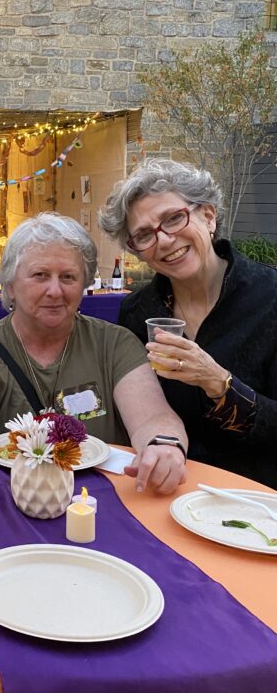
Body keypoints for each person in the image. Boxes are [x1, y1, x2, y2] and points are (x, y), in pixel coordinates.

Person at [0, 212, 188, 494]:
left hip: (103, 503)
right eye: (40, 275)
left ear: (84, 285)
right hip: (14, 505)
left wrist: (163, 445)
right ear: (9, 284)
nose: (55, 291)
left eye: (69, 277)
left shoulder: (114, 343)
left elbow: (153, 417)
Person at [99, 158, 277, 488]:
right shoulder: (138, 313)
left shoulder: (270, 299)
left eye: (174, 219)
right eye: (144, 235)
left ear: (208, 216)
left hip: (256, 501)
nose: (164, 240)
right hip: (168, 493)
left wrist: (219, 383)